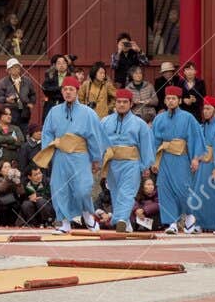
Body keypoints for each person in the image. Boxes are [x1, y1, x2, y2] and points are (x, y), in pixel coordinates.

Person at [35, 75, 105, 233]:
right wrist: (48, 152)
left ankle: (87, 215)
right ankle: (65, 222)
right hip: (60, 156)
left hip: (80, 155)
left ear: (77, 91)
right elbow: (47, 133)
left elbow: (94, 137)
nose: (67, 92)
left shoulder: (88, 113)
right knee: (59, 188)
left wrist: (95, 159)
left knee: (83, 189)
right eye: (65, 89)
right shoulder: (54, 112)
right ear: (61, 91)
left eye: (71, 89)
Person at [97, 88, 153, 237]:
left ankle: (121, 219)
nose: (121, 105)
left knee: (127, 192)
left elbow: (146, 145)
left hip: (131, 162)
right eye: (119, 102)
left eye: (124, 102)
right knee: (115, 193)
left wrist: (145, 165)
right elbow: (99, 142)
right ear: (115, 103)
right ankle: (125, 222)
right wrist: (98, 160)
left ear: (131, 104)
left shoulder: (139, 124)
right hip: (112, 162)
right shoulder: (105, 121)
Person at [150, 85, 200, 234]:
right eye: (168, 98)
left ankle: (190, 215)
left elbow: (195, 138)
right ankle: (171, 222)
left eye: (174, 99)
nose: (171, 101)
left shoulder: (188, 118)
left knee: (183, 189)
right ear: (164, 101)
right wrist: (153, 160)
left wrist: (195, 158)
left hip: (182, 157)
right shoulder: (159, 119)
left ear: (179, 100)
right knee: (165, 189)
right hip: (165, 157)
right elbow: (154, 141)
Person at [187, 96, 215, 233]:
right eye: (204, 109)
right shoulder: (202, 126)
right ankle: (201, 223)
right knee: (200, 193)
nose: (205, 111)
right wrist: (195, 159)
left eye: (208, 109)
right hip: (203, 165)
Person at [0, 57, 37, 132]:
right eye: (13, 68)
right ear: (8, 71)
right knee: (11, 132)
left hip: (25, 112)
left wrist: (31, 102)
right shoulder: (3, 82)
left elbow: (33, 94)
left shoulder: (27, 81)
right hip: (10, 112)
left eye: (17, 67)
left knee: (24, 132)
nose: (16, 69)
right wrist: (7, 99)